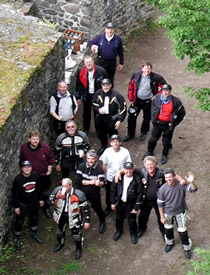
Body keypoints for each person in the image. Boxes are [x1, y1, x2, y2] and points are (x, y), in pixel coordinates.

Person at [157, 168, 197, 259]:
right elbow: (160, 204)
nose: (168, 179)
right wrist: (162, 216)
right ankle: (169, 243)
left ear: (174, 176)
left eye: (170, 177)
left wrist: (191, 182)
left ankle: (186, 247)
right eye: (166, 177)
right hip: (168, 213)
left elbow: (193, 189)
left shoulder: (181, 185)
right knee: (168, 229)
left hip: (180, 212)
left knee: (182, 231)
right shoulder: (162, 189)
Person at [123, 62, 167, 142]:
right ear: (142, 68)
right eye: (146, 68)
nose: (147, 70)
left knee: (147, 118)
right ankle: (130, 134)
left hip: (148, 102)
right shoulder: (136, 75)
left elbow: (165, 87)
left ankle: (144, 132)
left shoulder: (156, 77)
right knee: (131, 117)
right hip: (136, 101)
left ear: (151, 69)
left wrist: (157, 96)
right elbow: (131, 87)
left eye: (149, 68)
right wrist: (131, 99)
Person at [143, 84, 186, 164]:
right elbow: (153, 108)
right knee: (152, 139)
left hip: (168, 125)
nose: (165, 92)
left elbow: (182, 113)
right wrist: (154, 119)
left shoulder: (176, 101)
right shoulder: (157, 98)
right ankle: (149, 152)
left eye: (167, 91)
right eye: (163, 90)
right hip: (158, 123)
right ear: (161, 91)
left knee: (166, 141)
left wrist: (174, 123)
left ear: (170, 91)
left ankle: (164, 155)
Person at [49, 178, 90, 259]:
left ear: (70, 186)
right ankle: (60, 243)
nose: (63, 188)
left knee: (76, 235)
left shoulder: (79, 194)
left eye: (65, 186)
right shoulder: (57, 191)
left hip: (73, 217)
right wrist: (56, 197)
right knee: (60, 231)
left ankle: (79, 249)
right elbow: (49, 203)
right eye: (62, 186)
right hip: (61, 216)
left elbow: (85, 209)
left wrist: (87, 221)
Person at [19, 130, 54, 219]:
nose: (35, 141)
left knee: (45, 192)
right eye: (33, 139)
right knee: (32, 193)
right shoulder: (24, 148)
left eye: (37, 139)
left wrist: (49, 169)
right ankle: (34, 210)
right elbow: (21, 160)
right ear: (29, 139)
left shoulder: (45, 147)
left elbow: (50, 158)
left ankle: (46, 208)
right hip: (30, 177)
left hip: (43, 175)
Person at [12, 160, 44, 250]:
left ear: (31, 168)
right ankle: (17, 237)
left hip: (33, 202)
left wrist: (40, 199)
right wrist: (16, 206)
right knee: (19, 221)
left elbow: (38, 188)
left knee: (34, 217)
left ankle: (34, 232)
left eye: (28, 167)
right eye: (24, 167)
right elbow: (14, 194)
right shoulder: (18, 179)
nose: (27, 169)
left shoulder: (34, 175)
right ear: (21, 169)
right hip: (22, 203)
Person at [75, 150, 106, 234]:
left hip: (94, 194)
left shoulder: (99, 168)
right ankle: (81, 221)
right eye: (89, 158)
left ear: (96, 159)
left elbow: (102, 182)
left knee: (97, 208)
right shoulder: (81, 166)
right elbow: (77, 180)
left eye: (92, 159)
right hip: (81, 193)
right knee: (80, 208)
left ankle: (102, 221)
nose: (90, 161)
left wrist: (99, 183)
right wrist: (91, 182)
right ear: (86, 158)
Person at [93, 78, 127, 155]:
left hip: (112, 119)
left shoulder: (117, 95)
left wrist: (120, 120)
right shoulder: (98, 93)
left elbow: (123, 108)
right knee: (101, 133)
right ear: (101, 86)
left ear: (111, 85)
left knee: (113, 134)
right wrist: (98, 109)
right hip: (100, 118)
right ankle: (104, 146)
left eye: (107, 85)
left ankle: (115, 148)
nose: (105, 87)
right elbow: (94, 104)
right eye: (104, 85)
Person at [99, 134, 131, 216]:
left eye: (117, 141)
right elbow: (104, 164)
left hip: (122, 177)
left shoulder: (125, 152)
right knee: (109, 193)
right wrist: (104, 176)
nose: (115, 143)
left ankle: (122, 209)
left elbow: (128, 165)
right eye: (113, 141)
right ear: (111, 143)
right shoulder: (107, 151)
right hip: (110, 177)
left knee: (122, 193)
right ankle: (109, 206)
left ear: (120, 143)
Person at [111, 162, 142, 244]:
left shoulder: (137, 180)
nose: (128, 171)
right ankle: (118, 231)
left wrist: (136, 208)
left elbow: (140, 194)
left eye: (130, 169)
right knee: (118, 218)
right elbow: (113, 190)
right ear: (123, 169)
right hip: (120, 202)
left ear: (133, 169)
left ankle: (133, 234)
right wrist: (113, 202)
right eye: (126, 169)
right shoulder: (118, 177)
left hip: (131, 203)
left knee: (131, 220)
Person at [75, 55, 108, 135]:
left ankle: (99, 129)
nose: (89, 64)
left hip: (98, 95)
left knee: (98, 113)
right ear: (84, 64)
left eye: (90, 62)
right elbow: (78, 85)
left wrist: (107, 95)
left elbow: (107, 83)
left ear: (93, 62)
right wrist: (78, 97)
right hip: (87, 95)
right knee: (86, 113)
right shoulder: (80, 72)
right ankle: (86, 129)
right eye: (87, 62)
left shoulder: (101, 71)